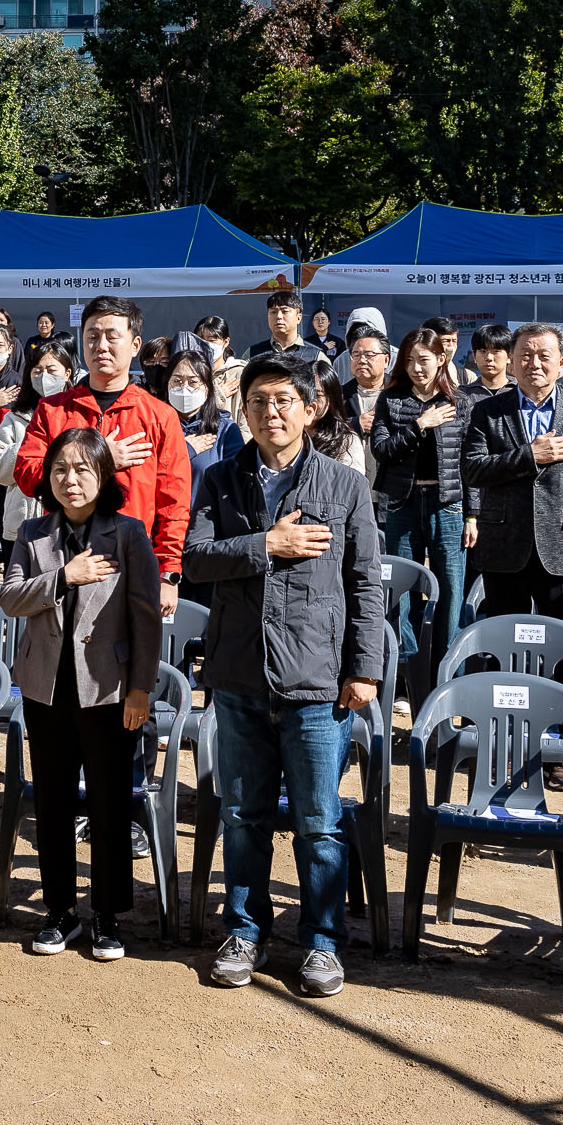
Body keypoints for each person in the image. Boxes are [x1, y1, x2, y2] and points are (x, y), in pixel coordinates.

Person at [185, 355, 388, 997]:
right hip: (240, 672)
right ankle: (245, 930)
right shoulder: (220, 479)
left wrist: (365, 669)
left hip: (316, 676)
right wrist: (263, 546)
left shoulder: (344, 485)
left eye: (282, 400)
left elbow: (365, 584)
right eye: (258, 400)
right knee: (242, 813)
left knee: (318, 819)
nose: (270, 412)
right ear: (242, 409)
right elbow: (193, 559)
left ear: (311, 409)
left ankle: (323, 941)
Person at [0, 426, 163, 960]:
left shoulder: (129, 534)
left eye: (83, 469)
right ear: (47, 478)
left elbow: (145, 619)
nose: (71, 480)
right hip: (46, 689)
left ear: (104, 476)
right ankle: (59, 910)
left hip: (110, 690)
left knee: (112, 801)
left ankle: (109, 915)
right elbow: (9, 598)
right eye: (61, 470)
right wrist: (64, 577)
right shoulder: (32, 534)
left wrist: (140, 688)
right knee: (51, 800)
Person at [14, 296, 192, 622]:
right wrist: (98, 458)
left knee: (125, 662)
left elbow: (173, 501)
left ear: (135, 344)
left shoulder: (159, 416)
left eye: (112, 336)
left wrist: (168, 572)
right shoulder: (52, 410)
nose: (101, 345)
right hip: (62, 558)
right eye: (92, 336)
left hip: (130, 561)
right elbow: (26, 474)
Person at [460, 321, 563, 618]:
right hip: (504, 545)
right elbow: (472, 470)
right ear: (512, 363)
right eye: (525, 356)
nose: (535, 364)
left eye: (544, 355)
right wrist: (530, 455)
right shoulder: (488, 411)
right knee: (504, 637)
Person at [371, 329, 475, 704]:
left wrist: (473, 514)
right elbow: (381, 450)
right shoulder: (392, 399)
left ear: (442, 360)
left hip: (448, 504)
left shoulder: (459, 402)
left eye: (424, 360)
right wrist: (420, 425)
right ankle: (406, 676)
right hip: (402, 502)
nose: (416, 368)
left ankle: (450, 678)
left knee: (450, 588)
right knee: (402, 590)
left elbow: (470, 462)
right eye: (410, 361)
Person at [0, 336, 72, 545]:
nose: (44, 377)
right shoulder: (15, 418)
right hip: (21, 527)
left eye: (52, 370)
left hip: (68, 525)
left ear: (67, 374)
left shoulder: (78, 414)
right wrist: (28, 445)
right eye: (37, 371)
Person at [165, 343, 241, 486]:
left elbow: (235, 482)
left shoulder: (226, 430)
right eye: (177, 381)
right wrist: (184, 450)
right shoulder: (155, 426)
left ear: (207, 387)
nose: (184, 387)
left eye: (193, 382)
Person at [308, 356, 371, 482]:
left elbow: (352, 488)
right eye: (304, 393)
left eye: (318, 395)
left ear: (331, 399)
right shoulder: (286, 435)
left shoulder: (346, 441)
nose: (311, 401)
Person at [341, 329, 392, 449]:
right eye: (356, 355)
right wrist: (355, 424)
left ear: (386, 360)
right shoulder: (339, 396)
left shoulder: (401, 393)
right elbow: (324, 429)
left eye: (369, 355)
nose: (362, 361)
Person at [250, 290, 327, 367]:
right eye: (273, 312)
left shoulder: (316, 356)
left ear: (298, 318)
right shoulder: (253, 353)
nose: (278, 316)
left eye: (285, 311)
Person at [462, 321, 515, 402]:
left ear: (509, 356)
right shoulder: (462, 395)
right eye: (483, 351)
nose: (489, 358)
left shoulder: (522, 391)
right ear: (474, 356)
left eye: (496, 351)